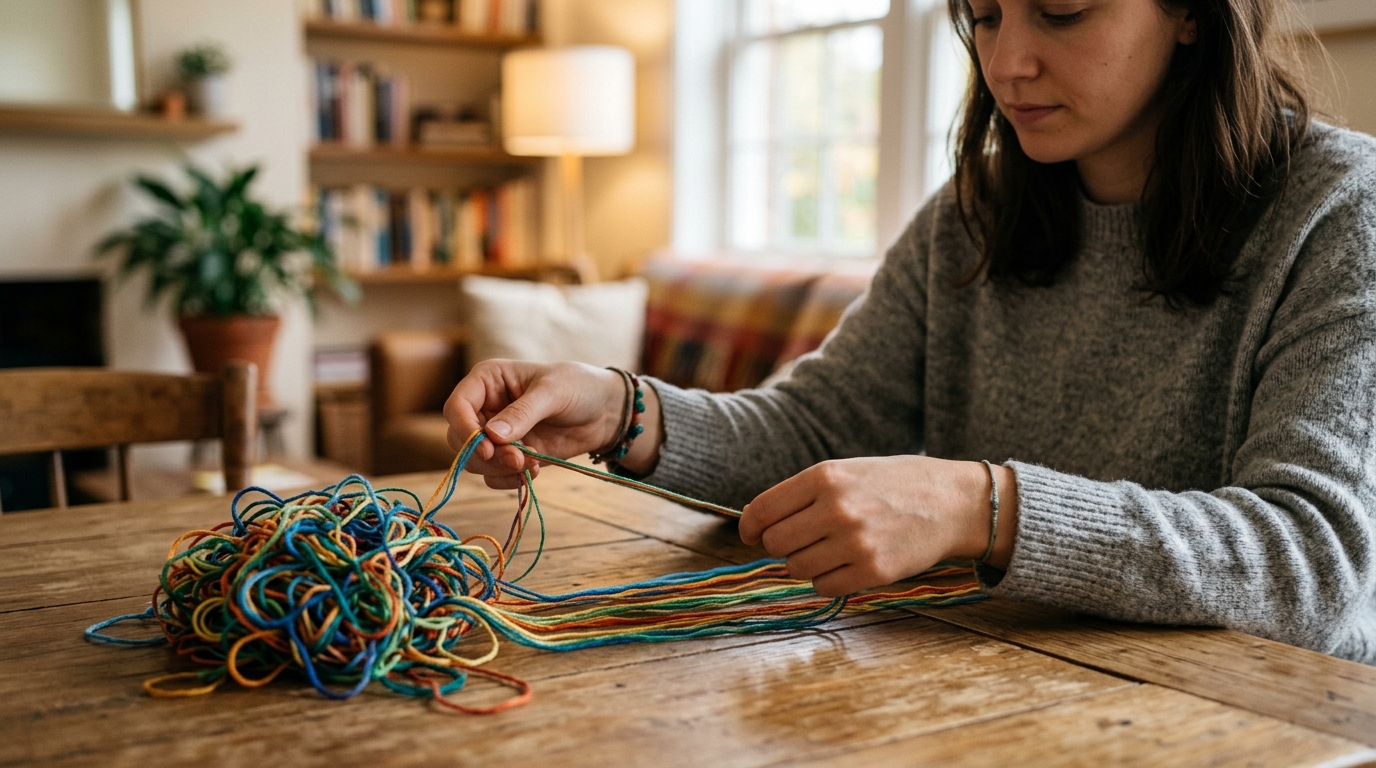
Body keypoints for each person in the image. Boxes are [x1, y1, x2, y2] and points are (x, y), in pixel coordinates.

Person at [444, 0, 1376, 664]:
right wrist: (624, 410)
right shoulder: (974, 212)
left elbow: (1315, 563)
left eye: (1060, 12)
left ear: (1190, 13)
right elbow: (816, 429)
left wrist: (982, 507)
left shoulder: (1340, 209)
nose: (1007, 61)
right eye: (982, 14)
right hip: (1002, 688)